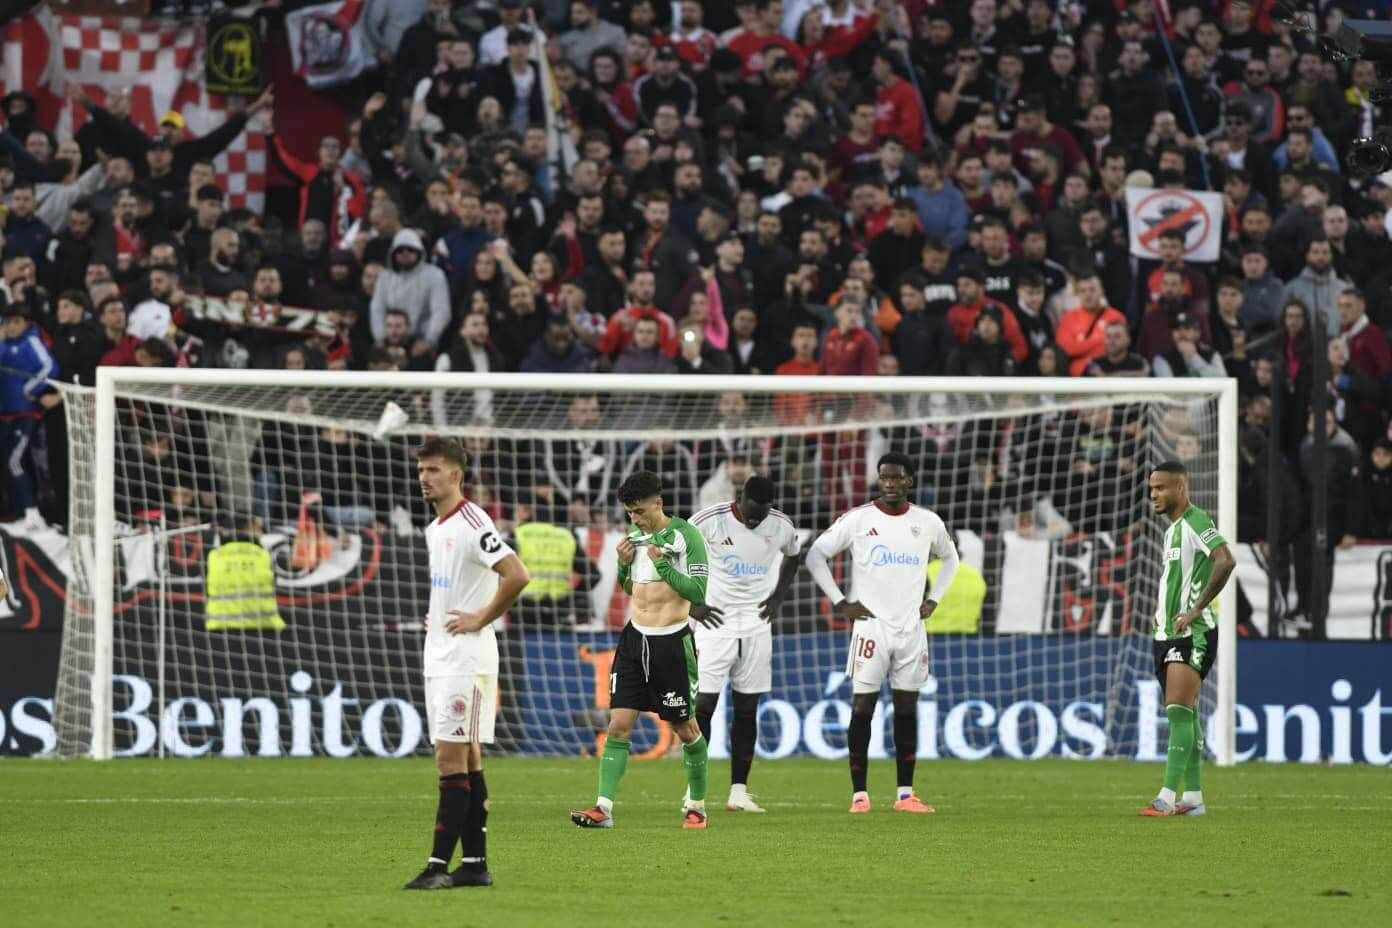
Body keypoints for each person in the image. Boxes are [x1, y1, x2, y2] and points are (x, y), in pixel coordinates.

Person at [404, 438, 530, 890]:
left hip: (466, 658)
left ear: (456, 475)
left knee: (448, 758)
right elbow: (454, 587)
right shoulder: (435, 527)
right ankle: (474, 865)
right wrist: (439, 613)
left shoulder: (474, 522)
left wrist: (480, 616)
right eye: (421, 469)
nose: (425, 477)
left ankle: (437, 867)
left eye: (434, 470)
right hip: (440, 654)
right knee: (468, 757)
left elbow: (517, 574)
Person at [804, 452, 959, 814]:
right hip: (871, 629)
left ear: (910, 482)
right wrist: (842, 602)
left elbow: (950, 559)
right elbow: (815, 555)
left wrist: (934, 599)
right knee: (863, 706)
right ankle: (860, 795)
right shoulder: (859, 520)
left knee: (907, 709)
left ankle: (906, 794)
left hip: (910, 630)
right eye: (884, 477)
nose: (890, 483)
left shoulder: (928, 522)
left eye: (897, 477)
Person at [571, 470, 711, 830]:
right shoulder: (634, 537)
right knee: (618, 726)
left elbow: (697, 593)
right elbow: (631, 587)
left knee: (686, 729)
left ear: (658, 503)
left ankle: (696, 805)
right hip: (634, 640)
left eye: (639, 511)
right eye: (629, 513)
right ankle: (603, 808)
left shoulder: (686, 536)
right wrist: (622, 565)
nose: (634, 519)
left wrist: (663, 563)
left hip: (671, 644)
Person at [687, 475, 802, 814]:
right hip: (714, 626)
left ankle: (739, 792)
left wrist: (778, 597)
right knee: (703, 707)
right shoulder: (708, 520)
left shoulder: (780, 525)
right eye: (751, 513)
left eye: (761, 515)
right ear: (740, 499)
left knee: (747, 709)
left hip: (756, 627)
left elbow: (794, 556)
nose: (755, 520)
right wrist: (692, 604)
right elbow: (671, 556)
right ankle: (694, 792)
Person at [1140, 461, 1235, 818]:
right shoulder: (1172, 531)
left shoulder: (1196, 521)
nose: (1154, 495)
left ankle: (1165, 798)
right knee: (1188, 715)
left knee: (1178, 713)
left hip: (1191, 633)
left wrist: (1196, 609)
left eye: (1161, 488)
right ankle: (1193, 798)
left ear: (1181, 489)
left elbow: (1225, 560)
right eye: (1152, 489)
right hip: (1166, 633)